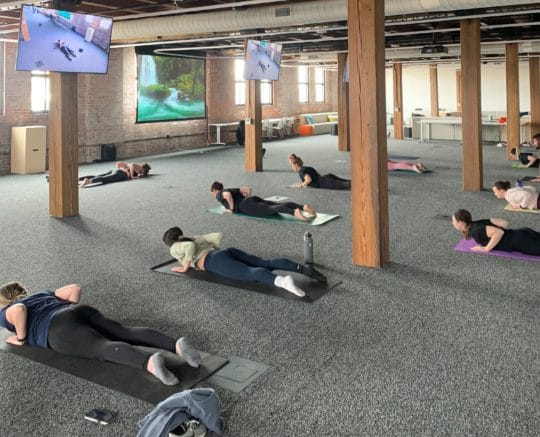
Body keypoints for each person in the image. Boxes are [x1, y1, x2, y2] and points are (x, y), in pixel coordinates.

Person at [0, 282, 201, 386]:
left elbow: (18, 311)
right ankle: (176, 345)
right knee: (124, 331)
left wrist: (20, 337)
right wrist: (72, 310)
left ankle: (149, 362)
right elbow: (74, 288)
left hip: (57, 329)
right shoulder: (40, 294)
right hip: (78, 310)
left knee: (101, 347)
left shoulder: (4, 311)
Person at [162, 227, 327, 298]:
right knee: (266, 262)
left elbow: (188, 247)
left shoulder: (175, 247)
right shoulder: (193, 236)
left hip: (214, 262)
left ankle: (283, 281)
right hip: (224, 252)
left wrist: (185, 266)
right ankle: (303, 269)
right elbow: (214, 237)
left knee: (249, 273)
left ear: (170, 242)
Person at [210, 181, 316, 221]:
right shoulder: (230, 188)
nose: (213, 194)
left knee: (270, 209)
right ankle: (303, 207)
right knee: (278, 204)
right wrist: (248, 199)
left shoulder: (219, 194)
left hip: (245, 206)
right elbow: (248, 189)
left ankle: (294, 212)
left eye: (212, 192)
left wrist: (232, 209)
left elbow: (227, 195)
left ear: (215, 190)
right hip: (251, 199)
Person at [451, 209, 540, 255]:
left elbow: (499, 232)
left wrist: (486, 248)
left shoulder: (475, 231)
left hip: (521, 242)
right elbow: (504, 223)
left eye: (454, 221)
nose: (452, 223)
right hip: (522, 232)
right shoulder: (477, 222)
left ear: (460, 222)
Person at [79, 162, 151, 188]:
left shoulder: (135, 168)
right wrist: (132, 176)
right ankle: (87, 181)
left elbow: (118, 163)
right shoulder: (139, 168)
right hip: (121, 174)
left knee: (99, 176)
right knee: (104, 179)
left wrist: (119, 169)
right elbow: (132, 164)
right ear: (145, 169)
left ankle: (79, 179)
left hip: (117, 171)